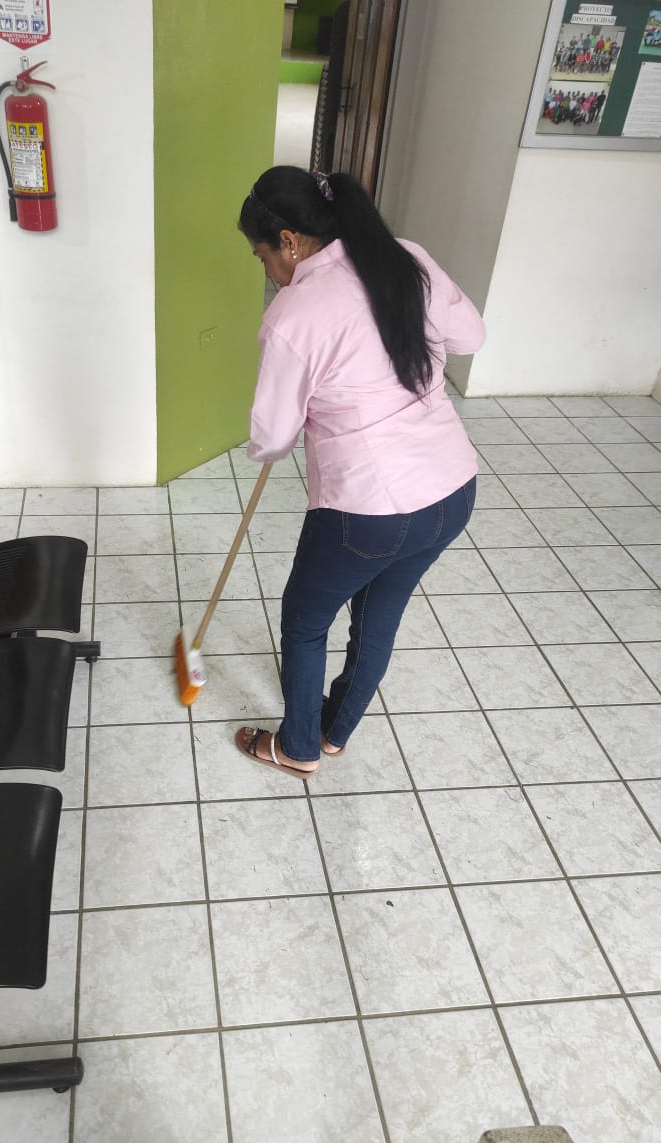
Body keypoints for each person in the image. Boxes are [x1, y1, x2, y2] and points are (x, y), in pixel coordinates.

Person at [234, 166, 485, 777]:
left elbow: (272, 438)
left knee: (305, 622)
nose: (268, 272)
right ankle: (334, 732)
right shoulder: (405, 257)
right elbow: (470, 337)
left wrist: (277, 437)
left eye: (263, 257)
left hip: (369, 511)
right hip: (452, 490)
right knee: (378, 616)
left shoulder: (296, 313)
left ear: (289, 241)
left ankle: (297, 748)